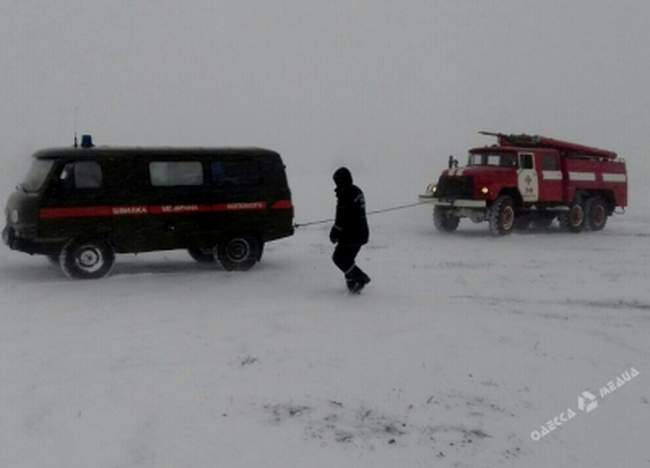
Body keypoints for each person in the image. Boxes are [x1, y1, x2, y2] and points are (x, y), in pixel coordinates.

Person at [329, 167, 371, 293]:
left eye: (337, 181)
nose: (336, 185)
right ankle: (352, 282)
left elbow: (341, 217)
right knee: (347, 258)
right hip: (361, 233)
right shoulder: (357, 191)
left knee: (339, 258)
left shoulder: (345, 193)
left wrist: (334, 233)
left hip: (351, 234)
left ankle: (360, 278)